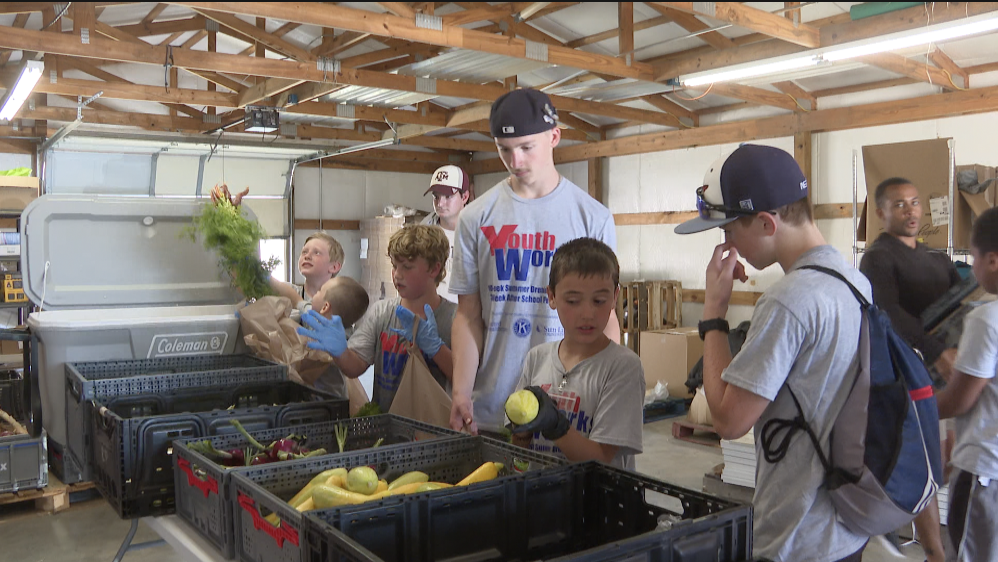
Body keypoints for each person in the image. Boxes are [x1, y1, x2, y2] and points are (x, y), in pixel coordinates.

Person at [675, 144, 869, 562]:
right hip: (845, 525)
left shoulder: (788, 300)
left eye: (729, 230)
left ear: (766, 223)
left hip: (796, 537)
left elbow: (728, 420)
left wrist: (714, 312)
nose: (727, 243)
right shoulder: (853, 281)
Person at [449, 88, 619, 436]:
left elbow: (607, 316)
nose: (516, 161)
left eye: (527, 147)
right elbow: (468, 314)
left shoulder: (592, 218)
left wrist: (609, 393)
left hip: (570, 410)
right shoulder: (476, 218)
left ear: (554, 136)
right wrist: (461, 392)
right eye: (504, 149)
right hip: (494, 411)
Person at [860, 176, 957, 562]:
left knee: (946, 459)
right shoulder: (877, 258)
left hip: (946, 370)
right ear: (881, 213)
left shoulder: (936, 257)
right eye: (899, 204)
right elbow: (888, 312)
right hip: (906, 374)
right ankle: (934, 552)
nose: (910, 210)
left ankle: (892, 518)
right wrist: (936, 351)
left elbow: (959, 300)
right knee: (922, 463)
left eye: (915, 202)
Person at [508, 238, 644, 470]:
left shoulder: (623, 367)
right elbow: (520, 450)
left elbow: (602, 459)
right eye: (573, 301)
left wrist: (556, 426)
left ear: (614, 297)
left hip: (596, 493)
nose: (587, 313)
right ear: (551, 296)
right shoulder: (537, 358)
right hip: (541, 490)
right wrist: (521, 429)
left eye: (599, 300)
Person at [298, 225, 457, 412]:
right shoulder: (382, 312)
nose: (397, 275)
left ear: (434, 269)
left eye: (407, 267)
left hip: (435, 426)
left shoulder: (454, 318)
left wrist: (436, 348)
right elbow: (354, 367)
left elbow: (467, 381)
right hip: (386, 424)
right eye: (395, 266)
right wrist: (340, 352)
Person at [935, 206, 998, 562]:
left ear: (992, 260)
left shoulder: (986, 319)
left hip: (983, 472)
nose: (972, 268)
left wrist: (914, 407)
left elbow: (959, 401)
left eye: (973, 258)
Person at [305, 277, 370, 396]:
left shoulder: (334, 341)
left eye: (320, 290)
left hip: (327, 400)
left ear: (325, 307)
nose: (316, 293)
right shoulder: (324, 325)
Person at [421, 164, 473, 303]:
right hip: (431, 311)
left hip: (470, 312)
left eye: (448, 196)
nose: (440, 203)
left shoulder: (482, 233)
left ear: (464, 197)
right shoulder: (421, 235)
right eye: (436, 197)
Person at [271, 232, 345, 310]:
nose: (307, 256)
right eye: (304, 252)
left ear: (334, 267)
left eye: (317, 253)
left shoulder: (341, 303)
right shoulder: (286, 291)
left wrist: (299, 303)